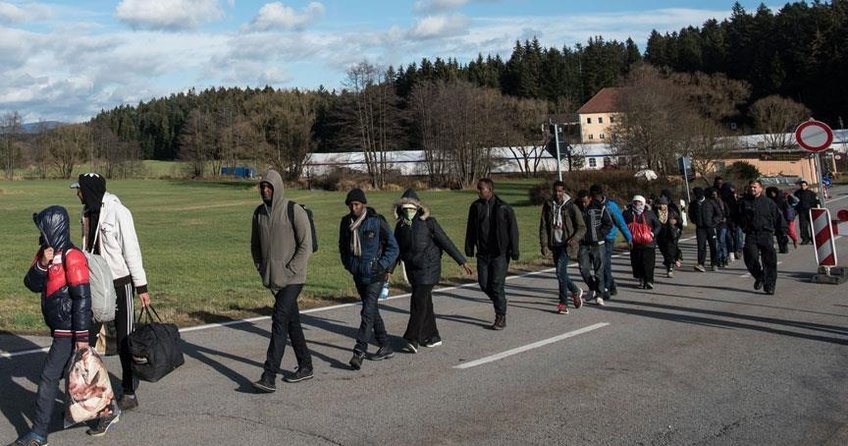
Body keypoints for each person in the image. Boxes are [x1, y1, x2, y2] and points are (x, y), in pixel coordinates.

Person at [10, 206, 103, 446]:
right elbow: (31, 283)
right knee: (78, 377)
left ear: (54, 228)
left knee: (49, 377)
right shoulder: (46, 253)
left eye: (44, 227)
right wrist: (42, 263)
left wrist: (82, 338)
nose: (41, 233)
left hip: (72, 330)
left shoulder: (73, 256)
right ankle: (105, 414)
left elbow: (83, 297)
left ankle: (39, 433)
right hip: (61, 327)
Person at [71, 173, 150, 420]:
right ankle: (92, 393)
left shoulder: (119, 212)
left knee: (125, 339)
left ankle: (128, 391)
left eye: (80, 189)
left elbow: (132, 250)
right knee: (89, 339)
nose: (77, 193)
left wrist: (142, 287)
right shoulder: (86, 213)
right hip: (95, 286)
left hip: (120, 283)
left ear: (90, 190)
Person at [250, 170, 314, 393]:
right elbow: (255, 247)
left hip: (294, 278)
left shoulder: (292, 210)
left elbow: (306, 246)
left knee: (279, 320)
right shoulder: (258, 214)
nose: (265, 190)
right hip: (274, 279)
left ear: (277, 187)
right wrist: (262, 269)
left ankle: (269, 376)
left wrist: (290, 271)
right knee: (291, 322)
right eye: (262, 187)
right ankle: (306, 365)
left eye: (269, 186)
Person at [393, 189, 473, 352]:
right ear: (400, 209)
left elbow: (446, 242)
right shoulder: (400, 226)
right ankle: (432, 336)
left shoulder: (429, 223)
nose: (408, 211)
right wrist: (388, 271)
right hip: (413, 270)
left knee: (418, 301)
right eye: (405, 208)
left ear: (418, 208)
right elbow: (395, 250)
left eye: (411, 208)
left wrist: (462, 261)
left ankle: (412, 338)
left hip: (429, 268)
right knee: (425, 303)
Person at [339, 188, 399, 369]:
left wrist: (381, 266)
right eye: (351, 205)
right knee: (372, 311)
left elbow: (393, 247)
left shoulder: (376, 221)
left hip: (375, 275)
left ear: (363, 204)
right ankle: (385, 345)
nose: (353, 208)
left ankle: (359, 351)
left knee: (366, 312)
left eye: (356, 204)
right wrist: (349, 265)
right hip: (358, 273)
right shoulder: (345, 223)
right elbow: (342, 247)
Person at [465, 178, 520, 330]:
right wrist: (469, 247)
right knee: (483, 284)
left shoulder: (503, 207)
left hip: (500, 253)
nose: (478, 191)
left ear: (489, 189)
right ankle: (500, 302)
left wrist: (514, 250)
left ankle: (500, 316)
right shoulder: (475, 207)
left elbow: (513, 230)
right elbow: (470, 228)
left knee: (496, 284)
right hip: (483, 253)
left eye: (481, 189)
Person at [539, 181, 587, 314]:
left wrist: (574, 239)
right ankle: (575, 290)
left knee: (560, 273)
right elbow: (543, 226)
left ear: (564, 191)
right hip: (554, 243)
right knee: (561, 274)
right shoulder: (548, 205)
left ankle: (563, 304)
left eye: (560, 191)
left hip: (567, 244)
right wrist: (543, 245)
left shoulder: (571, 206)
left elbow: (582, 227)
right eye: (555, 191)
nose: (557, 193)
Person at [740, 180, 787, 295]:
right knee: (750, 256)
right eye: (751, 187)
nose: (752, 189)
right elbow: (737, 217)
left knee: (769, 261)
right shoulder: (744, 203)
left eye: (755, 187)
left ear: (761, 188)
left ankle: (770, 286)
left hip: (766, 233)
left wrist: (783, 233)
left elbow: (778, 218)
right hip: (751, 234)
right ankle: (760, 276)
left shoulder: (768, 202)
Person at [589, 184, 632, 298]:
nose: (595, 199)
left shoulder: (610, 206)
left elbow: (620, 223)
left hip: (608, 238)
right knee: (600, 264)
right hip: (596, 239)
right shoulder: (591, 206)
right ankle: (611, 285)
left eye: (597, 196)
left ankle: (606, 288)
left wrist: (629, 238)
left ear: (601, 195)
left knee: (605, 263)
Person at [576, 189, 612, 305]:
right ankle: (593, 287)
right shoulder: (576, 208)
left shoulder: (600, 208)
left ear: (590, 198)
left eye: (585, 201)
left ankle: (600, 295)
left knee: (599, 271)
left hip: (598, 244)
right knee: (583, 269)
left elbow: (608, 223)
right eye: (581, 202)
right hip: (583, 244)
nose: (583, 204)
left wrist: (600, 234)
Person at [623, 195, 661, 289]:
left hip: (648, 243)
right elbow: (622, 225)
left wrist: (653, 234)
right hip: (635, 243)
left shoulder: (649, 213)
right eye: (635, 202)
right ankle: (641, 278)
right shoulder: (628, 213)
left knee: (648, 263)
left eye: (639, 202)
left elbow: (658, 225)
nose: (637, 204)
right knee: (637, 262)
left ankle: (649, 281)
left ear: (643, 203)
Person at [688, 186, 720, 272]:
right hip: (700, 228)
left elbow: (718, 214)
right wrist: (695, 221)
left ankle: (714, 263)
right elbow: (690, 214)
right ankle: (701, 264)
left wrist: (714, 222)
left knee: (713, 246)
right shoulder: (693, 204)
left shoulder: (710, 202)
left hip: (710, 227)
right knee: (701, 246)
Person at [654, 196, 682, 278]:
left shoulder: (671, 212)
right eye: (661, 204)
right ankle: (674, 259)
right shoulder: (655, 212)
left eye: (664, 204)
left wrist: (675, 221)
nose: (663, 206)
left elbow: (680, 221)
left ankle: (670, 268)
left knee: (670, 252)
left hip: (670, 234)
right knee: (664, 252)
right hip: (660, 235)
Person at [765, 186, 794, 254]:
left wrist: (789, 218)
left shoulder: (781, 199)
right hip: (773, 220)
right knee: (778, 235)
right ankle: (781, 248)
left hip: (782, 219)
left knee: (783, 234)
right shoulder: (768, 201)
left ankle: (785, 247)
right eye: (771, 193)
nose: (772, 194)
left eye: (773, 192)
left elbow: (787, 209)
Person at [708, 187, 730, 268]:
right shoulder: (709, 203)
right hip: (714, 224)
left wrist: (725, 218)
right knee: (716, 243)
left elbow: (727, 212)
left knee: (721, 241)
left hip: (722, 224)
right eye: (712, 194)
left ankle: (724, 258)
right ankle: (718, 259)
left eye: (715, 193)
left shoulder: (722, 202)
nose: (714, 195)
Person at [793, 180, 820, 245]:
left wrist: (818, 210)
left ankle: (814, 239)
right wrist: (795, 210)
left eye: (804, 185)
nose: (803, 187)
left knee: (812, 226)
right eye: (801, 186)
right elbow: (793, 202)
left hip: (810, 211)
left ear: (807, 186)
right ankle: (805, 239)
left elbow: (817, 202)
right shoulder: (797, 193)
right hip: (802, 212)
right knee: (803, 226)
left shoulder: (811, 193)